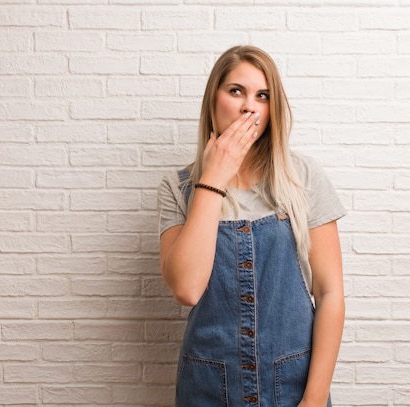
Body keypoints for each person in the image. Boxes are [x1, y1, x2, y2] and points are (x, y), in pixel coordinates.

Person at [157, 45, 346, 407]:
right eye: (236, 91)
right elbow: (186, 289)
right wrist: (213, 177)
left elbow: (330, 293)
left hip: (294, 385)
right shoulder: (178, 188)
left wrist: (315, 398)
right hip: (208, 388)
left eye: (262, 96)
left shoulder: (302, 178)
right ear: (213, 99)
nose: (249, 106)